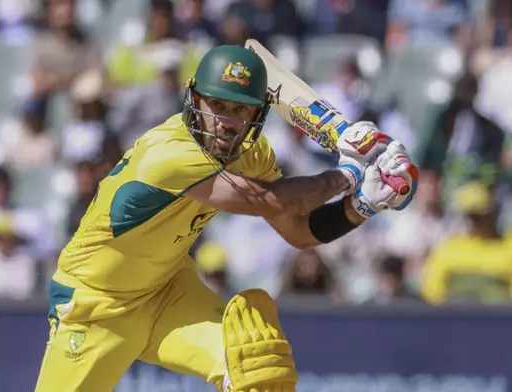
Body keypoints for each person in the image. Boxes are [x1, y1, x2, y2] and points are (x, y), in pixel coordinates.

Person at [33, 44, 418, 392]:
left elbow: (299, 231)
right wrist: (350, 172)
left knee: (260, 368)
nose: (227, 121)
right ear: (194, 98)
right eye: (217, 105)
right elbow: (271, 201)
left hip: (167, 291)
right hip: (94, 306)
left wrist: (363, 204)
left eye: (240, 109)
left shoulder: (252, 153)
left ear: (258, 113)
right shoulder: (168, 154)